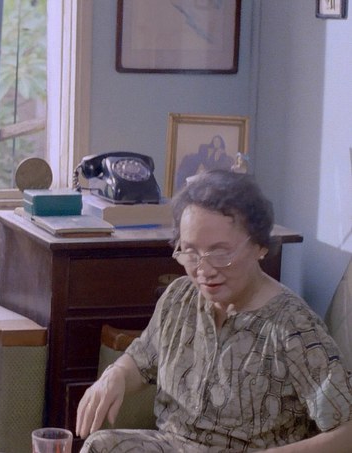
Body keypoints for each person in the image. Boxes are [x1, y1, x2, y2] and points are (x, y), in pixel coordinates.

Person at [75, 170, 352, 452]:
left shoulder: (294, 326)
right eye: (190, 252)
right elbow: (142, 360)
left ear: (259, 246)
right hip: (174, 445)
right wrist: (116, 375)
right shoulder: (179, 297)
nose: (204, 270)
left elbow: (348, 432)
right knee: (101, 446)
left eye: (220, 253)